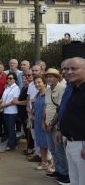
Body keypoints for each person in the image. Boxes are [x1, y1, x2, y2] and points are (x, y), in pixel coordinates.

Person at [59, 57, 85, 185]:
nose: (69, 72)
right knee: (74, 180)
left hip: (82, 145)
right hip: (70, 142)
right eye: (67, 69)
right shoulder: (73, 88)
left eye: (74, 68)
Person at [43, 68, 69, 184]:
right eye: (47, 77)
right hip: (48, 124)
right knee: (53, 150)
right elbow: (46, 106)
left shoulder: (62, 89)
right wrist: (43, 121)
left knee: (59, 151)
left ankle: (65, 173)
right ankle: (58, 170)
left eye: (52, 76)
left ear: (57, 78)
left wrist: (52, 124)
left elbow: (60, 110)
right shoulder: (48, 90)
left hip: (57, 125)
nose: (49, 79)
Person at [13, 70, 34, 156]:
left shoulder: (30, 87)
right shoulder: (23, 87)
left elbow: (27, 102)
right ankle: (29, 147)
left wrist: (17, 102)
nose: (24, 80)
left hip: (26, 112)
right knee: (26, 131)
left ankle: (30, 149)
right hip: (21, 112)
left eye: (26, 79)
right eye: (23, 79)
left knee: (29, 131)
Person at [0, 72, 20, 151]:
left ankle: (11, 145)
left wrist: (3, 105)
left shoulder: (16, 88)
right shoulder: (7, 87)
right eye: (7, 78)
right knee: (8, 128)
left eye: (11, 78)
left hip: (12, 112)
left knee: (11, 129)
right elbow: (3, 98)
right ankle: (14, 143)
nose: (9, 80)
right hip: (5, 111)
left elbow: (14, 101)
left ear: (15, 79)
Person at [33, 76, 49, 170]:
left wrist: (44, 122)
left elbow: (48, 109)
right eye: (35, 83)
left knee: (49, 144)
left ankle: (53, 164)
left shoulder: (48, 94)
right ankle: (44, 163)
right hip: (38, 121)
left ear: (44, 83)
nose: (37, 84)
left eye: (39, 82)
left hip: (46, 122)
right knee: (41, 143)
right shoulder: (38, 94)